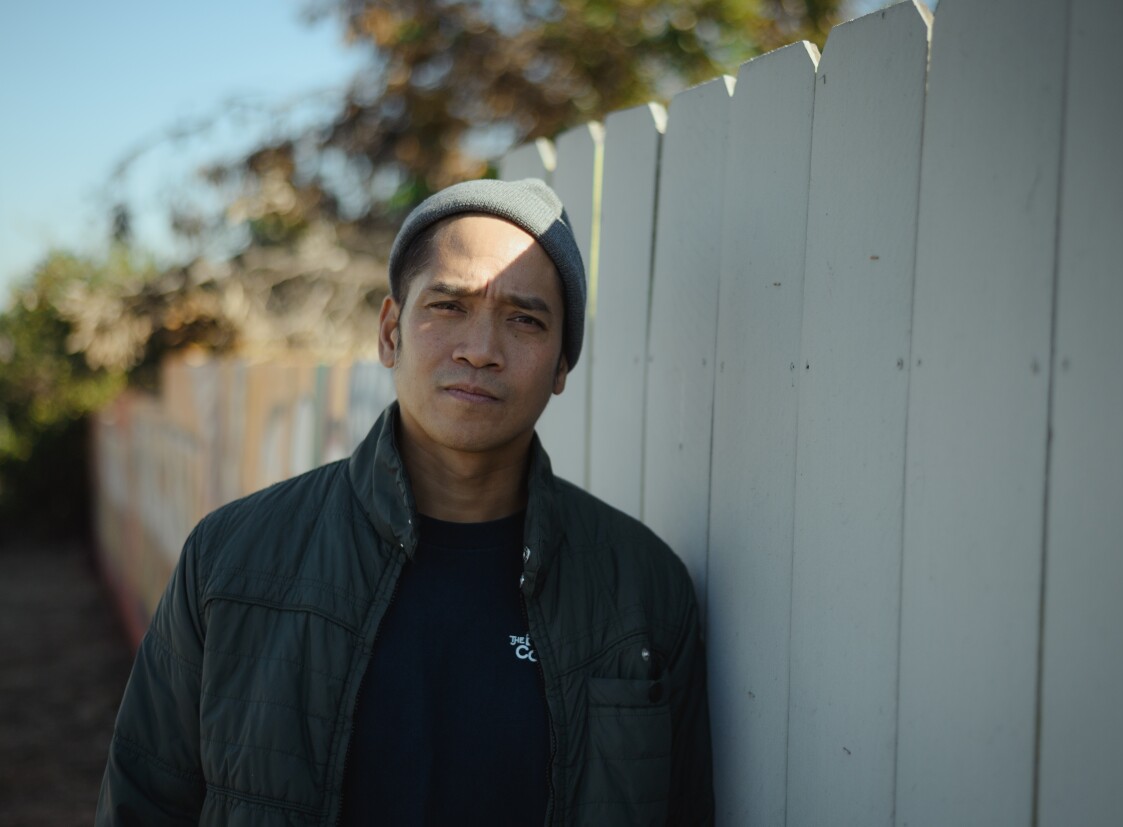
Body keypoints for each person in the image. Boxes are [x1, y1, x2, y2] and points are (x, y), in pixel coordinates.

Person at [96, 178, 714, 826]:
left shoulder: (641, 592)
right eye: (448, 305)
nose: (480, 349)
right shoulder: (232, 562)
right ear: (390, 331)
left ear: (562, 363)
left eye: (525, 319)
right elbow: (142, 804)